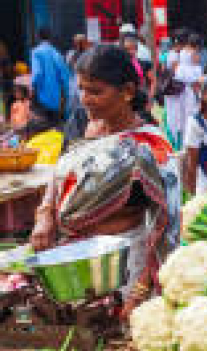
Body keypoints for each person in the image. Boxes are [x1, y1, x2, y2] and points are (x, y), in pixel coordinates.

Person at [30, 43, 179, 315]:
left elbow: (167, 225)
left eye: (96, 91)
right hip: (72, 262)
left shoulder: (149, 146)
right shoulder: (80, 124)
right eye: (82, 89)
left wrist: (141, 290)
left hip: (124, 268)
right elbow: (58, 175)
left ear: (128, 92)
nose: (85, 99)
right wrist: (45, 216)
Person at [163, 32, 203, 144]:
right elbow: (196, 85)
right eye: (196, 52)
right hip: (186, 101)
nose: (198, 56)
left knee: (180, 124)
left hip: (180, 103)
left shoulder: (181, 67)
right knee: (187, 124)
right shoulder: (191, 68)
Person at [31, 29, 71, 126]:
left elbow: (37, 74)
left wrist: (33, 88)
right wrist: (65, 94)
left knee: (43, 125)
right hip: (56, 97)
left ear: (38, 37)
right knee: (56, 124)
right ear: (50, 38)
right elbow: (65, 75)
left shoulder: (36, 52)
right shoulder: (56, 52)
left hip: (42, 96)